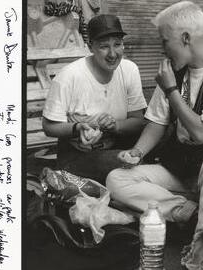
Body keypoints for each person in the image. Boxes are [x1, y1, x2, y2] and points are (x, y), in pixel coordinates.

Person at [106, 1, 203, 231]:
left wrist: (171, 90)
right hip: (183, 170)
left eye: (164, 40)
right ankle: (188, 213)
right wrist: (137, 152)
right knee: (117, 179)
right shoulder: (174, 71)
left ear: (186, 38)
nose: (162, 48)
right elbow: (156, 123)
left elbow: (201, 134)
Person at [42, 14, 147, 184]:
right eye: (104, 46)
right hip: (77, 154)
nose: (113, 54)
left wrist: (116, 125)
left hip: (116, 143)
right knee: (128, 163)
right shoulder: (69, 76)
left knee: (165, 133)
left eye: (118, 45)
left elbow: (138, 121)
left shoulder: (129, 70)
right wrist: (77, 128)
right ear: (90, 47)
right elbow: (48, 127)